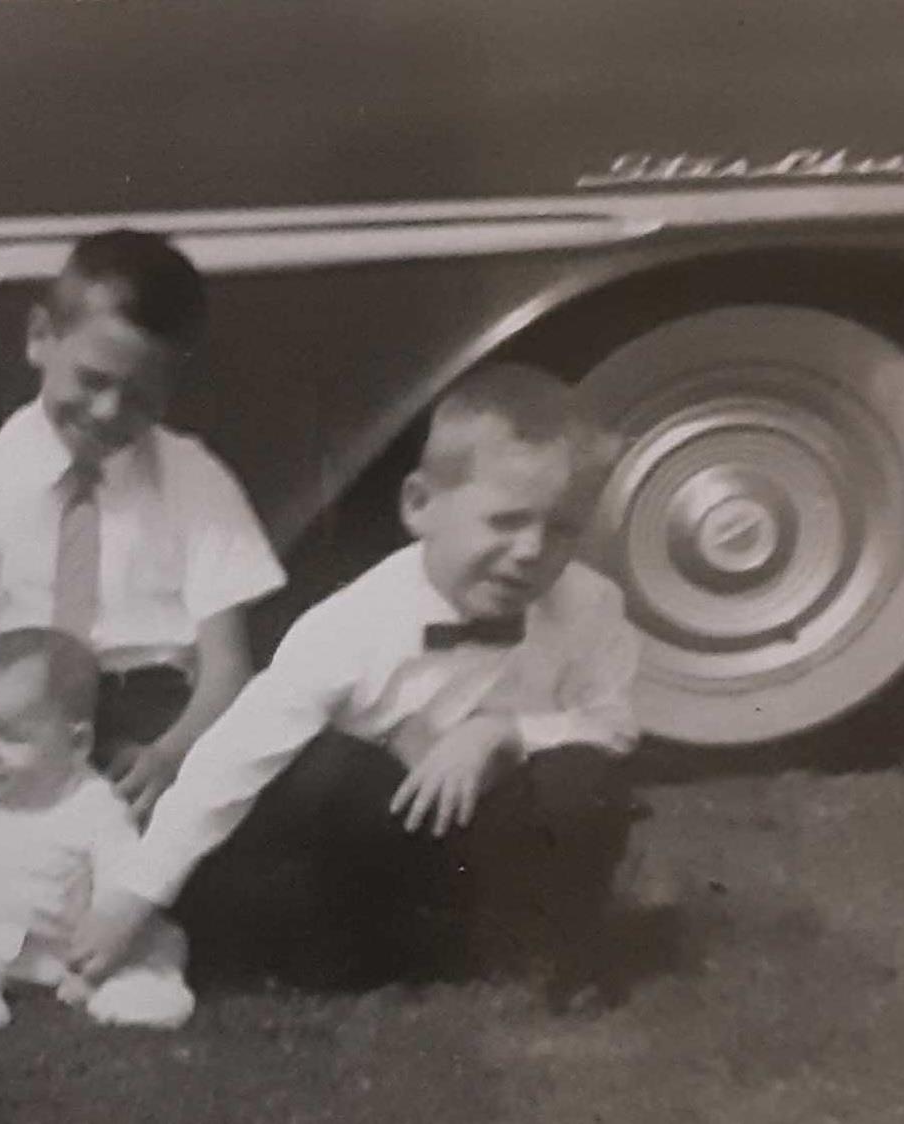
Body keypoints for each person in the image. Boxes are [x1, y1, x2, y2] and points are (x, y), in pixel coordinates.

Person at [72, 362, 643, 1002]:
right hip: (382, 829)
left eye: (561, 528)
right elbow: (231, 760)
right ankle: (380, 946)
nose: (532, 550)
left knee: (584, 776)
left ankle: (557, 951)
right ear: (419, 505)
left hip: (496, 821)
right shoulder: (353, 623)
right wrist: (135, 895)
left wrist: (505, 732)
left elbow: (615, 725)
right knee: (329, 775)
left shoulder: (589, 605)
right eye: (505, 521)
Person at [0, 229, 285, 820]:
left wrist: (171, 754)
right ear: (39, 337)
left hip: (154, 713)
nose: (108, 412)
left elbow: (227, 667)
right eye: (92, 379)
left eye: (141, 397)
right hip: (22, 715)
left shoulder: (195, 479)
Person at [0, 628, 195, 1037]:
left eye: (11, 737)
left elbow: (121, 889)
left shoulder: (94, 807)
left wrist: (93, 967)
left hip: (87, 948)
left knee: (148, 955)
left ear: (77, 743)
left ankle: (135, 990)